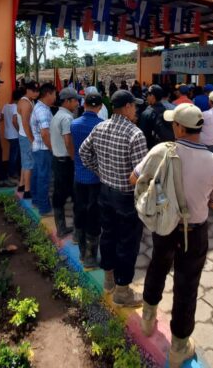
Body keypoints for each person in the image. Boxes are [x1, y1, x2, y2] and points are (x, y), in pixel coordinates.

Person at [136, 104, 213, 368]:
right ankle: (178, 348)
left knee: (157, 267)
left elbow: (135, 178)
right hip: (194, 232)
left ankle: (148, 318)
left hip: (164, 226)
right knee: (187, 286)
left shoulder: (161, 151)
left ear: (178, 127)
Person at [79, 89, 148, 306]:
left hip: (105, 192)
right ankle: (122, 292)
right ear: (127, 107)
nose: (135, 109)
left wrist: (100, 172)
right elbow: (141, 175)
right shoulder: (135, 134)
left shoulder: (100, 126)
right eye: (134, 105)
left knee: (108, 235)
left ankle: (108, 281)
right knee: (127, 243)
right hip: (126, 198)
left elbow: (83, 152)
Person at [71, 91, 105, 267]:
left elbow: (73, 149)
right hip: (96, 178)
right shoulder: (102, 126)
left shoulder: (74, 124)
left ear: (84, 105)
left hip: (79, 176)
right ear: (99, 107)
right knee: (94, 215)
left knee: (79, 210)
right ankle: (91, 257)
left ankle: (82, 252)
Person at [50, 87, 78, 237]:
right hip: (65, 161)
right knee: (74, 195)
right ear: (67, 101)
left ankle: (62, 227)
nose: (77, 104)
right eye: (75, 101)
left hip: (57, 160)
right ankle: (70, 229)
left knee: (59, 194)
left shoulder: (57, 115)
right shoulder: (67, 118)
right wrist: (74, 159)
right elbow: (68, 141)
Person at [30, 83, 56, 215]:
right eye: (54, 94)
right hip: (43, 149)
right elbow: (45, 133)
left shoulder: (41, 107)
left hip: (39, 148)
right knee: (43, 178)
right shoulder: (42, 110)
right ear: (48, 94)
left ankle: (36, 200)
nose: (55, 97)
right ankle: (44, 207)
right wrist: (52, 149)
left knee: (37, 175)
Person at [16, 81, 39, 199]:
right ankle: (27, 191)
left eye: (37, 91)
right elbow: (25, 123)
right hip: (26, 136)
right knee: (29, 163)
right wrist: (32, 139)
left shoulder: (29, 101)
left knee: (25, 162)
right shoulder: (26, 103)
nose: (36, 93)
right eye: (33, 91)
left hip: (23, 135)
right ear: (27, 90)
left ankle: (21, 184)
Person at [139, 85, 175, 149]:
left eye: (148, 95)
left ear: (152, 96)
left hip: (152, 149)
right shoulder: (167, 110)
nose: (146, 97)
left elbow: (142, 136)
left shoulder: (146, 113)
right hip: (166, 148)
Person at [2, 88, 23, 182]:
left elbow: (1, 118)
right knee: (14, 154)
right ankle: (13, 172)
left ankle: (14, 171)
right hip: (14, 135)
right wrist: (20, 130)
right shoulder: (15, 107)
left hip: (8, 134)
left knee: (13, 153)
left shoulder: (6, 106)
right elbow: (14, 120)